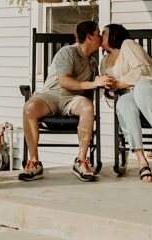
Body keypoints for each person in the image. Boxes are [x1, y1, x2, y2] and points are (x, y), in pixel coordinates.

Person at [18, 19, 112, 183]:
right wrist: (94, 83)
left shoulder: (92, 62)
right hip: (51, 96)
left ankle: (81, 160)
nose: (101, 38)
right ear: (89, 36)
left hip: (72, 101)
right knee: (29, 108)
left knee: (88, 107)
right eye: (98, 34)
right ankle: (34, 162)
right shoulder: (67, 52)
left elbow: (89, 92)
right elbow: (64, 82)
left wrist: (104, 84)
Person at [101, 23, 152, 184]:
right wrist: (106, 86)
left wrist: (120, 83)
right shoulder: (103, 61)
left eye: (104, 33)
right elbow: (111, 88)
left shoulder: (128, 45)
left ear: (114, 35)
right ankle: (142, 162)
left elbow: (144, 71)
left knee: (141, 86)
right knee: (123, 105)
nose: (101, 36)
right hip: (128, 96)